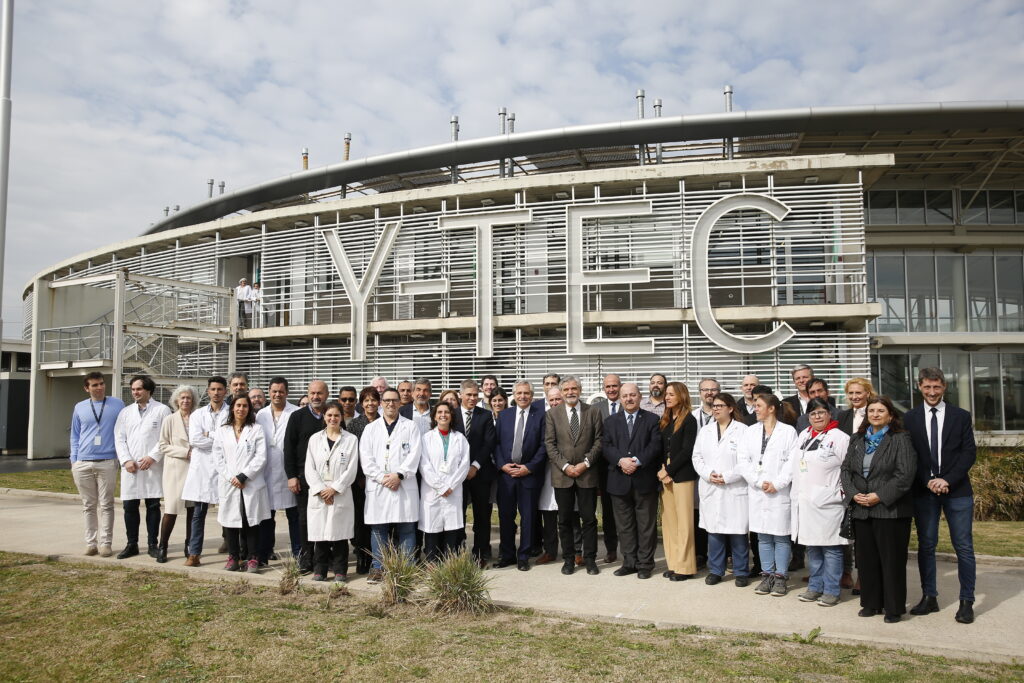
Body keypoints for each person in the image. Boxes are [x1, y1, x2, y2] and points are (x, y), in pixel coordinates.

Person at [905, 368, 978, 625]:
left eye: (936, 387)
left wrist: (947, 479)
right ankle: (930, 597)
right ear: (920, 387)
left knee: (964, 547)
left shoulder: (960, 416)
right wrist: (928, 480)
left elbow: (969, 453)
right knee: (926, 546)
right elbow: (911, 455)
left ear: (944, 387)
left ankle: (966, 601)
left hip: (957, 490)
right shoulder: (910, 418)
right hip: (925, 492)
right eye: (927, 387)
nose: (932, 392)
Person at [840, 396, 916, 623]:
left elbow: (905, 475)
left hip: (889, 510)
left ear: (890, 415)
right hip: (862, 508)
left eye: (880, 410)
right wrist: (854, 494)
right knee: (866, 560)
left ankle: (893, 608)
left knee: (891, 560)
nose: (875, 414)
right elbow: (845, 470)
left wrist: (879, 496)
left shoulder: (900, 439)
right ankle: (871, 603)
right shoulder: (858, 439)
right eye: (871, 410)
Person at [791, 397, 850, 607]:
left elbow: (848, 469)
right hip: (806, 501)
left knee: (831, 548)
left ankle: (832, 590)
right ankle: (815, 587)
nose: (817, 416)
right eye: (813, 413)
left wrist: (840, 493)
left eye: (821, 412)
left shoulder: (840, 438)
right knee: (813, 547)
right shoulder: (804, 435)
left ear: (829, 414)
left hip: (829, 502)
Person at [360, 388, 422, 582]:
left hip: (403, 484)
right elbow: (366, 458)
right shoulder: (370, 429)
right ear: (381, 403)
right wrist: (382, 478)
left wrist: (399, 475)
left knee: (407, 528)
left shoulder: (411, 427)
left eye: (394, 400)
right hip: (379, 486)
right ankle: (378, 567)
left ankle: (406, 567)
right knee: (378, 529)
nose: (390, 404)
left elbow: (415, 455)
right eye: (386, 400)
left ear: (399, 403)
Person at [739, 393, 798, 597]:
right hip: (758, 490)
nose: (755, 409)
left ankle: (780, 577)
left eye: (759, 405)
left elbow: (792, 461)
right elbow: (743, 461)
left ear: (771, 408)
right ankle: (767, 576)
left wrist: (778, 483)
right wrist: (757, 481)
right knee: (763, 537)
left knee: (781, 537)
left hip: (779, 491)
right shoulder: (750, 432)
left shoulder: (788, 432)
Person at [603, 382, 663, 579]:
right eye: (625, 396)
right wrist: (621, 461)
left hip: (643, 479)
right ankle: (629, 562)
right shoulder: (611, 421)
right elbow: (606, 446)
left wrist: (636, 461)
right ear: (620, 398)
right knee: (625, 525)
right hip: (619, 480)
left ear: (639, 397)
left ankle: (645, 564)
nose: (629, 399)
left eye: (632, 395)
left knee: (646, 525)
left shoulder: (652, 419)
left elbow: (655, 446)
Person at [693, 392, 750, 587]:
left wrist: (727, 477)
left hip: (734, 487)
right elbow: (697, 458)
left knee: (738, 533)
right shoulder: (706, 431)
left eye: (720, 406)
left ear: (731, 408)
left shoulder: (743, 431)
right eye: (714, 406)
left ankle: (741, 571)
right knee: (714, 532)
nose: (716, 409)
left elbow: (746, 461)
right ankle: (716, 570)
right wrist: (709, 474)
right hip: (711, 486)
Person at [114, 375, 172, 559]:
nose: (135, 392)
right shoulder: (125, 412)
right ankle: (132, 544)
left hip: (152, 467)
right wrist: (125, 460)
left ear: (148, 390)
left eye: (138, 389)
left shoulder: (162, 410)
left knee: (153, 506)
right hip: (130, 467)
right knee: (129, 507)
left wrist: (152, 457)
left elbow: (166, 437)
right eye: (133, 389)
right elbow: (119, 438)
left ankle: (152, 544)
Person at [69, 372, 125, 557]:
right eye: (94, 385)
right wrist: (74, 460)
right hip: (83, 462)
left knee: (107, 504)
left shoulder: (117, 404)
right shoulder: (80, 407)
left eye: (101, 384)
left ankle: (105, 543)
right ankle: (91, 543)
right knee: (88, 505)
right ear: (87, 388)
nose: (99, 387)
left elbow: (124, 430)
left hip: (107, 461)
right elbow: (75, 435)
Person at [214, 393, 270, 573]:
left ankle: (253, 558)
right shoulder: (223, 430)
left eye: (245, 406)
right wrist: (232, 477)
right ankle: (233, 557)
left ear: (249, 409)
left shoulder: (256, 429)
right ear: (232, 408)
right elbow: (217, 457)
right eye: (238, 405)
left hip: (250, 483)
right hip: (229, 483)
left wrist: (244, 476)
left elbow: (261, 457)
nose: (241, 409)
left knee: (251, 522)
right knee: (230, 522)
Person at [495, 380, 548, 571]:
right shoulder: (504, 415)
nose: (523, 396)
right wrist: (502, 466)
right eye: (519, 393)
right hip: (507, 476)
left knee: (528, 518)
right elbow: (497, 444)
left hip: (529, 476)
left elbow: (544, 446)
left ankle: (523, 556)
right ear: (514, 395)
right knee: (506, 517)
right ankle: (507, 554)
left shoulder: (541, 416)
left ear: (532, 396)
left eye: (526, 393)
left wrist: (529, 467)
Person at [305, 401, 360, 581]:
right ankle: (319, 570)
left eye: (336, 415)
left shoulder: (350, 440)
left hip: (340, 494)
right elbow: (309, 468)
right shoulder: (314, 439)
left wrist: (335, 489)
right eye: (329, 415)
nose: (333, 418)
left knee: (339, 535)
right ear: (324, 417)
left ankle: (340, 571)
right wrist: (322, 489)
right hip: (320, 494)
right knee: (319, 535)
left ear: (341, 417)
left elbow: (351, 469)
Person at [283, 380, 330, 573]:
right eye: (312, 393)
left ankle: (323, 558)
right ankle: (306, 558)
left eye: (319, 393)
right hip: (303, 478)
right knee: (304, 520)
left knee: (326, 519)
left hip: (328, 479)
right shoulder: (297, 417)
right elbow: (288, 448)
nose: (316, 397)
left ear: (326, 394)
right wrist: (292, 476)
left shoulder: (332, 415)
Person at [183, 376, 229, 566]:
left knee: (229, 510)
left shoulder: (232, 412)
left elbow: (231, 439)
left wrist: (209, 434)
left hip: (225, 466)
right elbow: (195, 440)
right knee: (198, 513)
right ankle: (194, 553)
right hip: (202, 468)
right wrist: (221, 439)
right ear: (208, 391)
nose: (216, 393)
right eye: (213, 389)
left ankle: (233, 549)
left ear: (225, 391)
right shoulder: (197, 415)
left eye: (220, 389)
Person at [255, 377, 300, 566]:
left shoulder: (297, 413)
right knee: (267, 517)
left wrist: (296, 475)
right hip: (266, 472)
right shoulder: (260, 415)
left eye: (281, 391)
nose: (277, 394)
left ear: (287, 393)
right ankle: (264, 554)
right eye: (274, 391)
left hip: (288, 473)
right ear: (269, 392)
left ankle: (299, 554)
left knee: (294, 516)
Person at [419, 401, 471, 562]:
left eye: (446, 412)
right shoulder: (426, 438)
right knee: (432, 528)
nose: (443, 415)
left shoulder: (460, 438)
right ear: (434, 416)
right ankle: (432, 562)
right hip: (432, 490)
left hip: (453, 491)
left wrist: (451, 486)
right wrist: (440, 486)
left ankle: (450, 564)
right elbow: (424, 464)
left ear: (451, 415)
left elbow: (464, 465)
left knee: (451, 528)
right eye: (439, 412)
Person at [657, 382, 699, 581]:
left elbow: (687, 450)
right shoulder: (665, 420)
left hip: (681, 474)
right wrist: (662, 471)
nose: (667, 397)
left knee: (684, 523)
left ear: (681, 396)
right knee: (669, 522)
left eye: (671, 394)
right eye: (666, 394)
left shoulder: (689, 420)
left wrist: (669, 471)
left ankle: (685, 567)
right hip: (665, 473)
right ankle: (674, 563)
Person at [454, 379, 498, 568]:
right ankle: (456, 552)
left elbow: (489, 443)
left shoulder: (485, 415)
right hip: (456, 475)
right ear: (461, 395)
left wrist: (475, 466)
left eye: (475, 395)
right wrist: (461, 469)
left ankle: (480, 553)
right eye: (469, 395)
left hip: (480, 473)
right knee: (457, 515)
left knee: (481, 516)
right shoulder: (451, 414)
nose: (472, 398)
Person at [155, 384, 199, 563]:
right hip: (175, 470)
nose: (186, 401)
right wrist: (184, 452)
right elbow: (162, 445)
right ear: (176, 401)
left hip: (195, 471)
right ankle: (163, 546)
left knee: (192, 511)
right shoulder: (170, 420)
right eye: (183, 398)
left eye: (189, 398)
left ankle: (189, 546)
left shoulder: (197, 418)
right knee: (171, 510)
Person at [346, 386, 380, 574]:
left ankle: (377, 555)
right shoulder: (354, 425)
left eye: (373, 400)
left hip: (379, 481)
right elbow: (352, 454)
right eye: (366, 400)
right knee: (360, 520)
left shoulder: (384, 422)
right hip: (359, 482)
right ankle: (362, 555)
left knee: (378, 520)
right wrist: (360, 476)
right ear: (361, 403)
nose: (370, 404)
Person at [589, 373, 622, 563]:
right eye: (608, 386)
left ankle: (630, 548)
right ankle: (611, 549)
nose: (611, 389)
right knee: (608, 512)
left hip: (626, 467)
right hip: (603, 469)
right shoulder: (596, 409)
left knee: (626, 511)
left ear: (620, 386)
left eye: (614, 386)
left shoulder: (629, 405)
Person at [534, 386, 563, 564]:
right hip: (546, 471)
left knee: (570, 514)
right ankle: (550, 551)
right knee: (549, 513)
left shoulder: (572, 416)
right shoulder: (543, 418)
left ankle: (576, 551)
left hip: (567, 470)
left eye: (557, 399)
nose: (554, 403)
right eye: (551, 400)